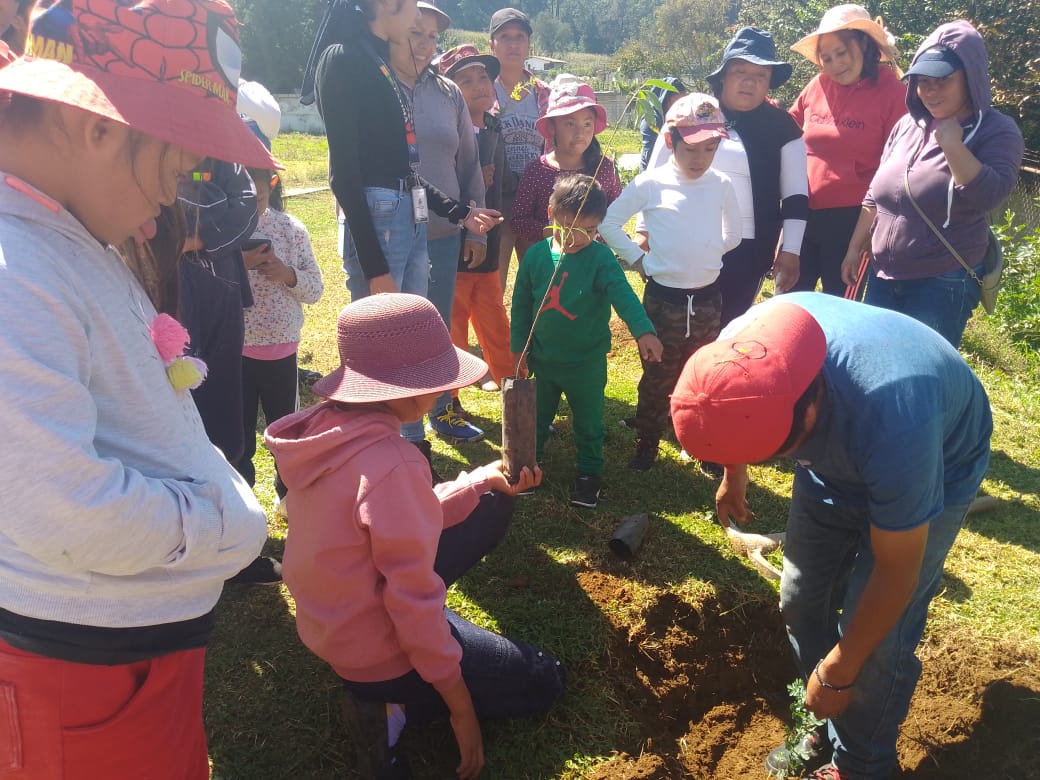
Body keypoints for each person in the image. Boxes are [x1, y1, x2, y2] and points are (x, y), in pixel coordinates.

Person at [0, 0, 274, 775]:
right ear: (97, 127)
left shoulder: (60, 234)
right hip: (85, 684)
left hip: (123, 660)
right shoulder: (14, 274)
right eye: (179, 166)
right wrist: (224, 522)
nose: (173, 198)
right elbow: (63, 508)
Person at [670, 293, 992, 780]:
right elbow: (726, 400)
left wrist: (840, 667)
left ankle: (862, 764)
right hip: (835, 464)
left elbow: (897, 569)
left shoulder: (895, 418)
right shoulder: (738, 346)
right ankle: (830, 722)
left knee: (878, 640)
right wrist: (733, 473)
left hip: (938, 459)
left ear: (810, 411)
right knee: (801, 599)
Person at [264, 294, 564, 780]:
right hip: (382, 648)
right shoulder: (396, 463)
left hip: (335, 627)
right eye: (436, 381)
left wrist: (479, 480)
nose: (443, 391)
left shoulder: (327, 435)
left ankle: (388, 694)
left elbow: (395, 517)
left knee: (490, 499)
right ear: (404, 389)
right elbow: (411, 601)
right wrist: (459, 706)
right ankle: (396, 702)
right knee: (543, 676)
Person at [299, 0, 501, 474]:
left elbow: (402, 169)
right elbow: (344, 174)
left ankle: (410, 448)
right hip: (379, 222)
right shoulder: (343, 58)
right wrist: (375, 268)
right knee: (382, 350)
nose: (416, 21)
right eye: (410, 9)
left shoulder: (377, 61)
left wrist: (460, 213)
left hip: (405, 219)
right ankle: (371, 455)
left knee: (411, 340)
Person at [840, 20, 1024, 348]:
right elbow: (875, 195)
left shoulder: (997, 130)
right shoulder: (906, 127)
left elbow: (990, 195)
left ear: (971, 76)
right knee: (876, 364)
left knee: (920, 378)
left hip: (941, 281)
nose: (930, 91)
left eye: (942, 80)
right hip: (883, 275)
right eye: (922, 82)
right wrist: (855, 248)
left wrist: (953, 145)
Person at [600, 94, 741, 473]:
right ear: (670, 142)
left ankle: (701, 441)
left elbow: (735, 234)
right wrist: (639, 259)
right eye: (691, 149)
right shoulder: (651, 183)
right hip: (665, 302)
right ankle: (647, 441)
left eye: (710, 149)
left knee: (703, 374)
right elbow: (608, 223)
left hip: (708, 299)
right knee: (658, 374)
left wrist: (707, 255)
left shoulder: (722, 184)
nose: (700, 159)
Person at [511, 175, 663, 509]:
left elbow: (624, 296)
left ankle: (589, 474)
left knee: (589, 421)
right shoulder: (536, 257)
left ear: (599, 227)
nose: (576, 240)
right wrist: (518, 349)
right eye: (567, 228)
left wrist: (644, 331)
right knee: (536, 419)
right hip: (543, 362)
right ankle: (526, 467)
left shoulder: (601, 259)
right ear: (551, 213)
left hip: (586, 364)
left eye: (589, 231)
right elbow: (521, 306)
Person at [645, 27, 808, 327]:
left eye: (761, 75)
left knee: (728, 330)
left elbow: (797, 196)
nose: (750, 81)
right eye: (740, 71)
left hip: (747, 251)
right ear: (723, 76)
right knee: (676, 328)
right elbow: (653, 174)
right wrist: (643, 230)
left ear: (770, 82)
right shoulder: (691, 113)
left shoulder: (784, 128)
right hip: (682, 239)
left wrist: (791, 250)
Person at [388, 1, 487, 445]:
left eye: (432, 36)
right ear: (390, 30)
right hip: (387, 235)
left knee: (439, 327)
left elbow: (469, 163)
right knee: (390, 332)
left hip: (444, 235)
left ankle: (441, 410)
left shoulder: (447, 93)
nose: (425, 45)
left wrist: (474, 226)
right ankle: (395, 426)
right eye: (416, 33)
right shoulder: (373, 85)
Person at [789, 4, 907, 295]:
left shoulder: (894, 94)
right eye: (826, 58)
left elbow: (900, 165)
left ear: (865, 45)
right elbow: (788, 129)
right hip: (804, 211)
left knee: (839, 305)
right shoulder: (817, 85)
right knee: (789, 299)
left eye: (841, 53)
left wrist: (863, 237)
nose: (834, 64)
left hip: (854, 220)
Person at [236, 165, 325, 513]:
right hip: (235, 349)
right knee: (239, 435)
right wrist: (236, 265)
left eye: (256, 198)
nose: (250, 207)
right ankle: (242, 499)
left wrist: (287, 275)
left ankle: (288, 493)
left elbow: (316, 288)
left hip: (281, 349)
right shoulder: (218, 231)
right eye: (241, 199)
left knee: (285, 430)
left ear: (271, 186)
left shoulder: (291, 229)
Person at [438, 44, 514, 394]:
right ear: (448, 90)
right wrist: (467, 187)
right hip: (452, 246)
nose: (479, 84)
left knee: (494, 318)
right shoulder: (446, 133)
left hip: (489, 241)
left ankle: (511, 388)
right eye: (465, 79)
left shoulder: (496, 127)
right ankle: (450, 397)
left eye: (483, 76)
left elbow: (503, 182)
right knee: (453, 322)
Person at [511, 83, 622, 261]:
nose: (580, 133)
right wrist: (555, 232)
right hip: (551, 263)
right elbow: (518, 221)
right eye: (570, 124)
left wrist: (592, 237)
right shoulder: (537, 170)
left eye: (587, 124)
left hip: (594, 263)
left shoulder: (604, 168)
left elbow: (616, 214)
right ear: (552, 127)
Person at [488, 7, 549, 292]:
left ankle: (536, 335)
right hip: (497, 199)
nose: (513, 44)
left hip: (537, 199)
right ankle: (495, 338)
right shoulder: (483, 89)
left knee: (539, 277)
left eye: (520, 37)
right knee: (493, 279)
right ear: (492, 44)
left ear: (528, 44)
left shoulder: (543, 93)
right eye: (505, 37)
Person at [638, 76, 688, 171]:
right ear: (665, 100)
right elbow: (650, 157)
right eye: (677, 102)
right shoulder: (651, 121)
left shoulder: (678, 119)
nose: (680, 107)